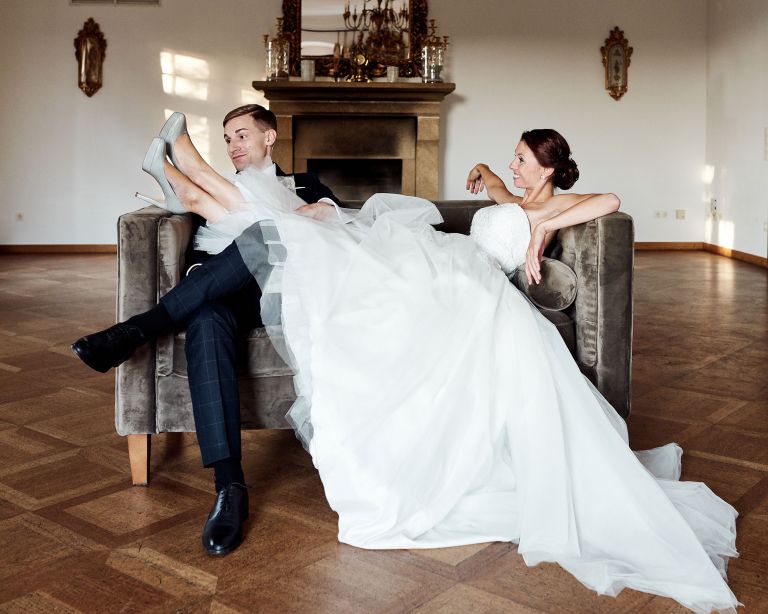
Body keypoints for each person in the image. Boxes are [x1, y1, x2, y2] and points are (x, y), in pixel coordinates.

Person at [73, 123, 739, 612]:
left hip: (427, 277)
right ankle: (221, 470)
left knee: (309, 259)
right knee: (250, 287)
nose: (511, 167)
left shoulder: (550, 205)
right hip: (265, 276)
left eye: (521, 160)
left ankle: (139, 328)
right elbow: (497, 187)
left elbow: (611, 201)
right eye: (513, 159)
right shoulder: (514, 190)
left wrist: (538, 230)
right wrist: (490, 174)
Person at [100, 104, 341, 558]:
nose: (233, 145)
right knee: (206, 319)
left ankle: (134, 331)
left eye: (242, 135)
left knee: (266, 232)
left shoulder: (304, 183)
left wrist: (306, 213)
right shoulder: (227, 188)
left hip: (275, 286)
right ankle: (229, 487)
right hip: (215, 287)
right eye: (227, 138)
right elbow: (188, 224)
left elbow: (331, 217)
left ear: (269, 138)